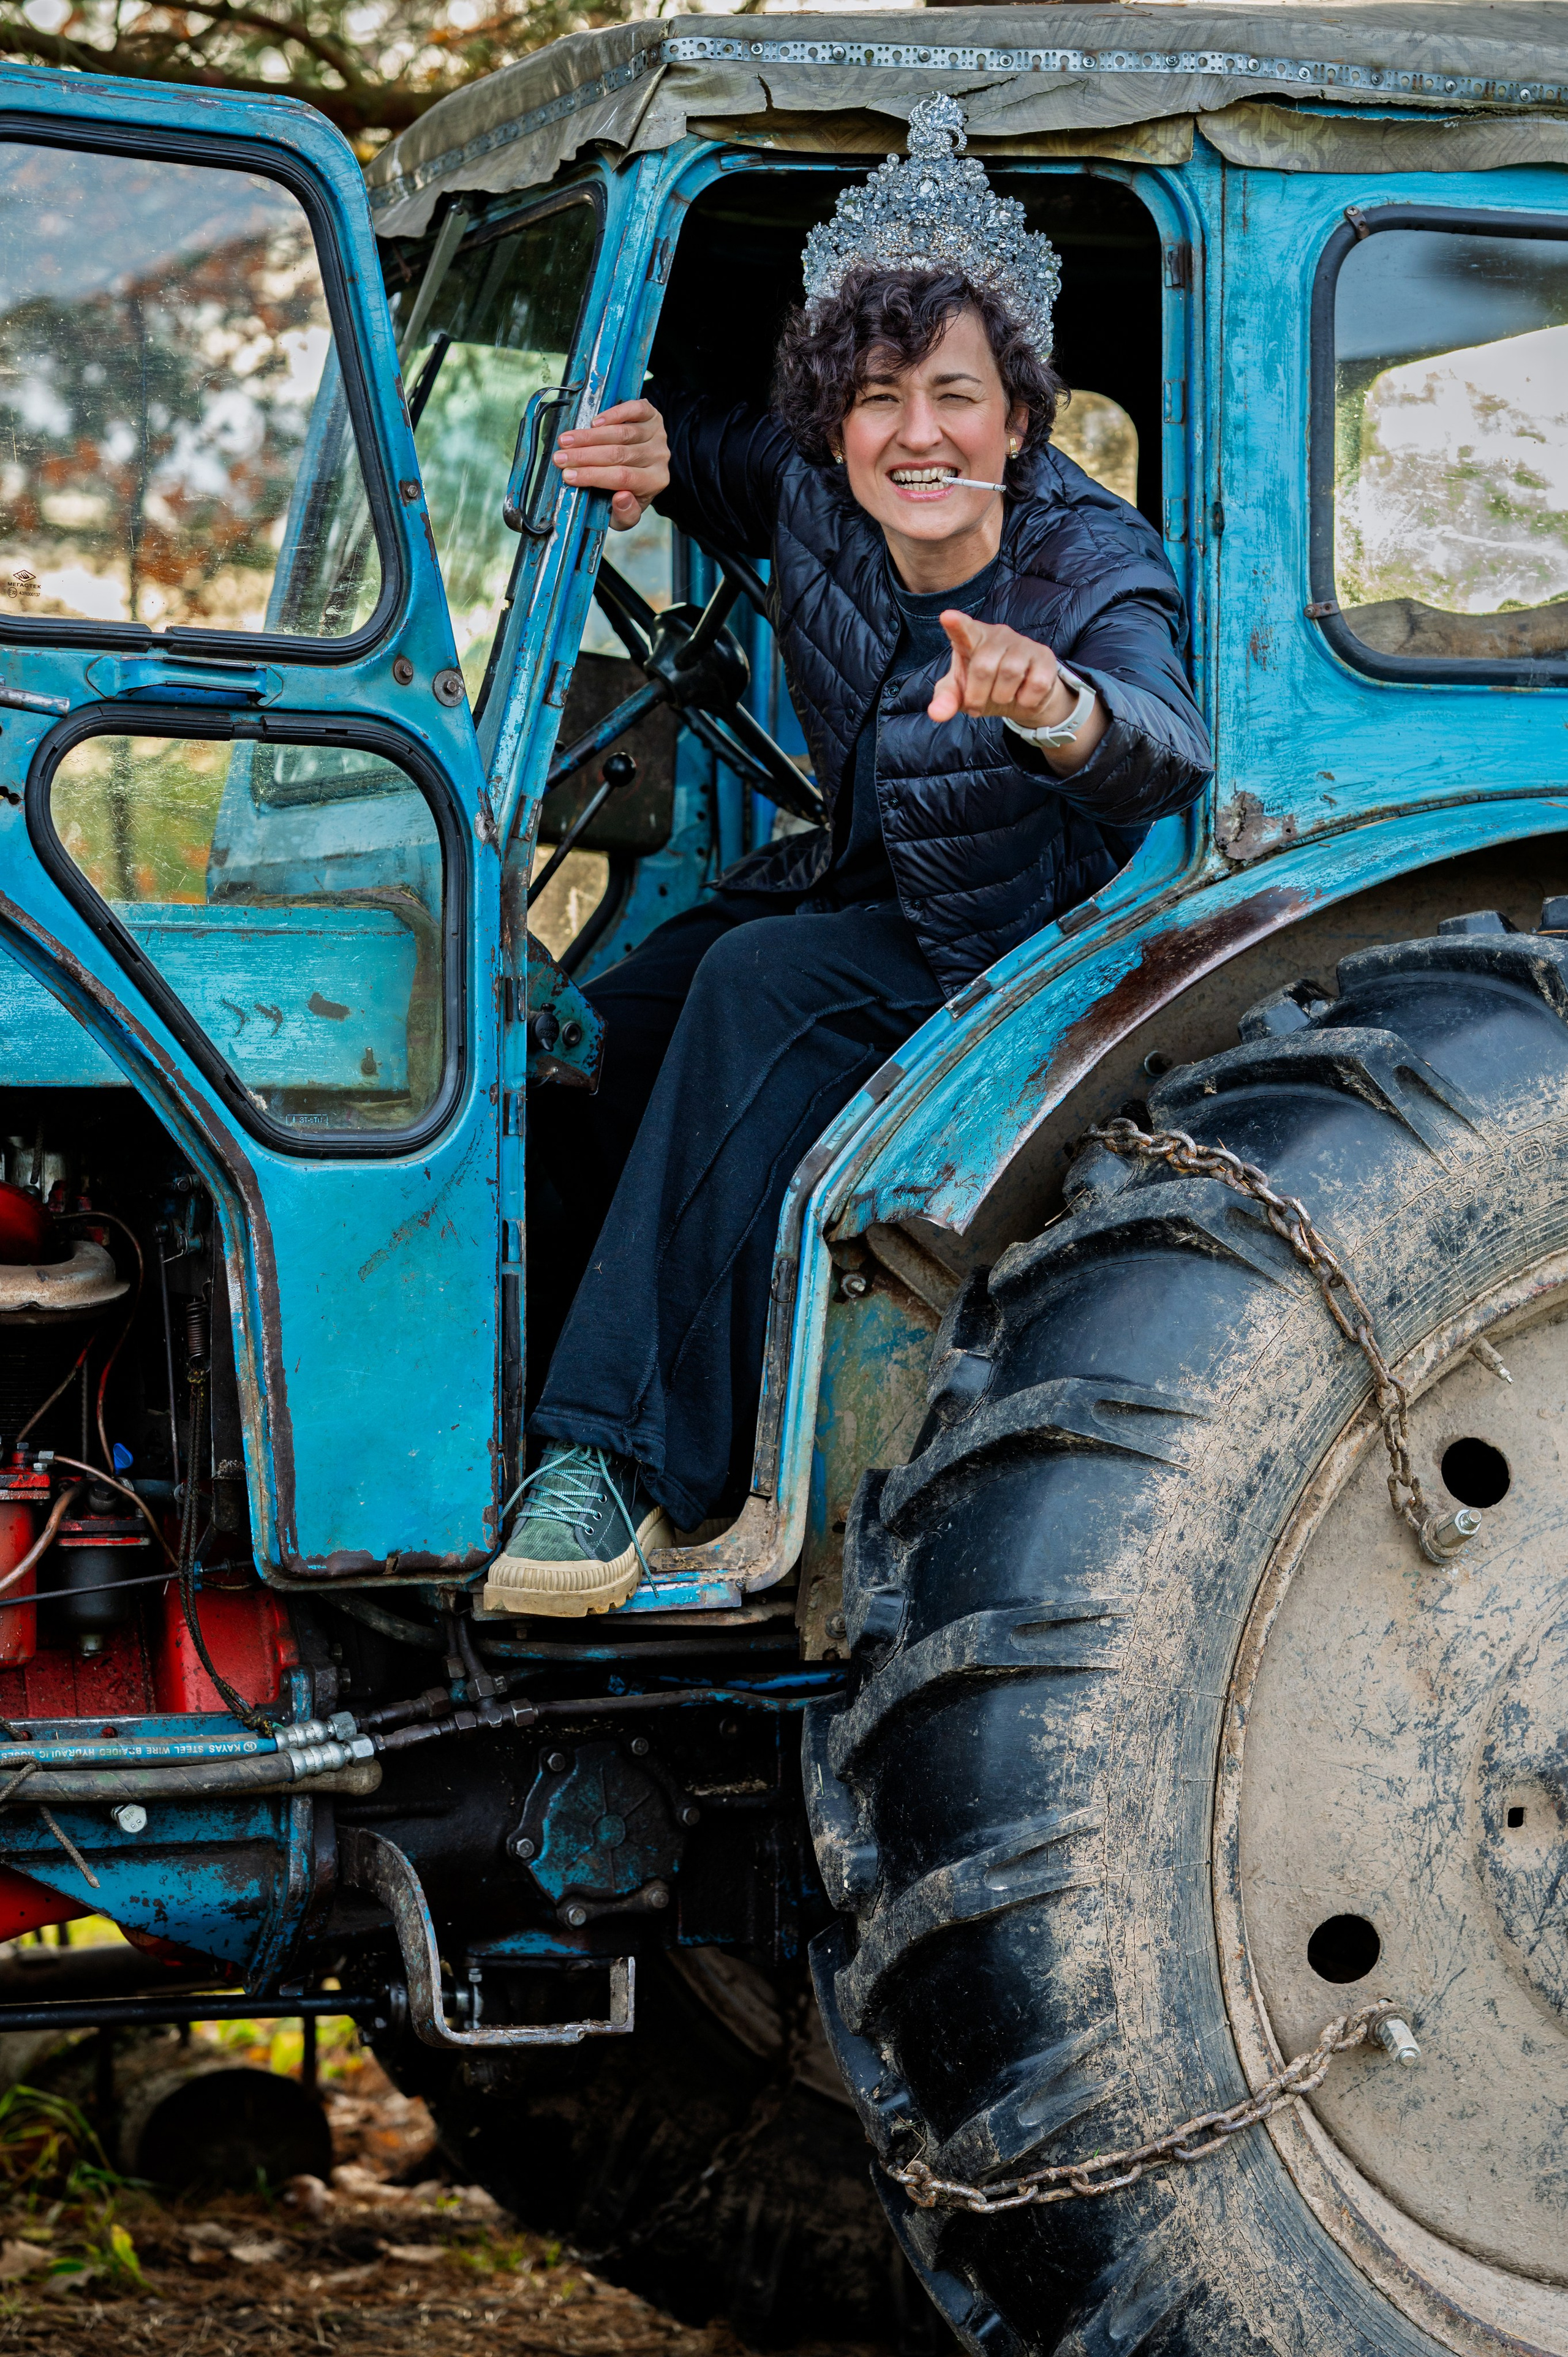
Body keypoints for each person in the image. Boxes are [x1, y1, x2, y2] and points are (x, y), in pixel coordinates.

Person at [488, 92, 1213, 1618]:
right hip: (866, 885)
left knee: (757, 985)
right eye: (877, 397)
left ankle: (613, 1465)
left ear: (1017, 412)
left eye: (953, 394)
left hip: (1027, 944)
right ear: (840, 418)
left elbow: (1160, 737)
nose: (916, 433)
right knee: (590, 1035)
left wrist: (1053, 705)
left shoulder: (1093, 560)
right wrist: (656, 447)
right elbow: (719, 450)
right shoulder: (820, 488)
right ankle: (521, 1405)